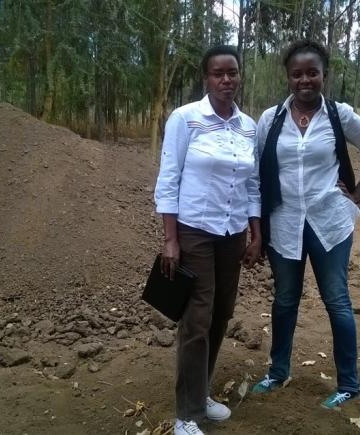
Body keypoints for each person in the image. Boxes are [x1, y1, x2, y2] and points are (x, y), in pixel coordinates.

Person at [251, 40, 360, 409]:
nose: (305, 80)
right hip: (284, 223)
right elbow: (258, 171)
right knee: (284, 301)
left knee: (337, 301)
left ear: (324, 75)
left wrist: (355, 194)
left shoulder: (338, 115)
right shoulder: (270, 120)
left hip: (329, 222)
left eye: (312, 72)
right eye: (297, 74)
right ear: (288, 77)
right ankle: (278, 372)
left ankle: (348, 383)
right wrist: (257, 225)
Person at [154, 45, 262, 435]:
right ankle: (186, 413)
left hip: (231, 235)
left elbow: (253, 184)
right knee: (196, 319)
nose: (226, 80)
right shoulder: (186, 119)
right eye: (218, 73)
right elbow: (169, 178)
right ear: (206, 78)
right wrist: (170, 239)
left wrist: (256, 233)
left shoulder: (247, 127)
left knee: (221, 314)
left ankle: (202, 393)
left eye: (232, 72)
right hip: (195, 231)